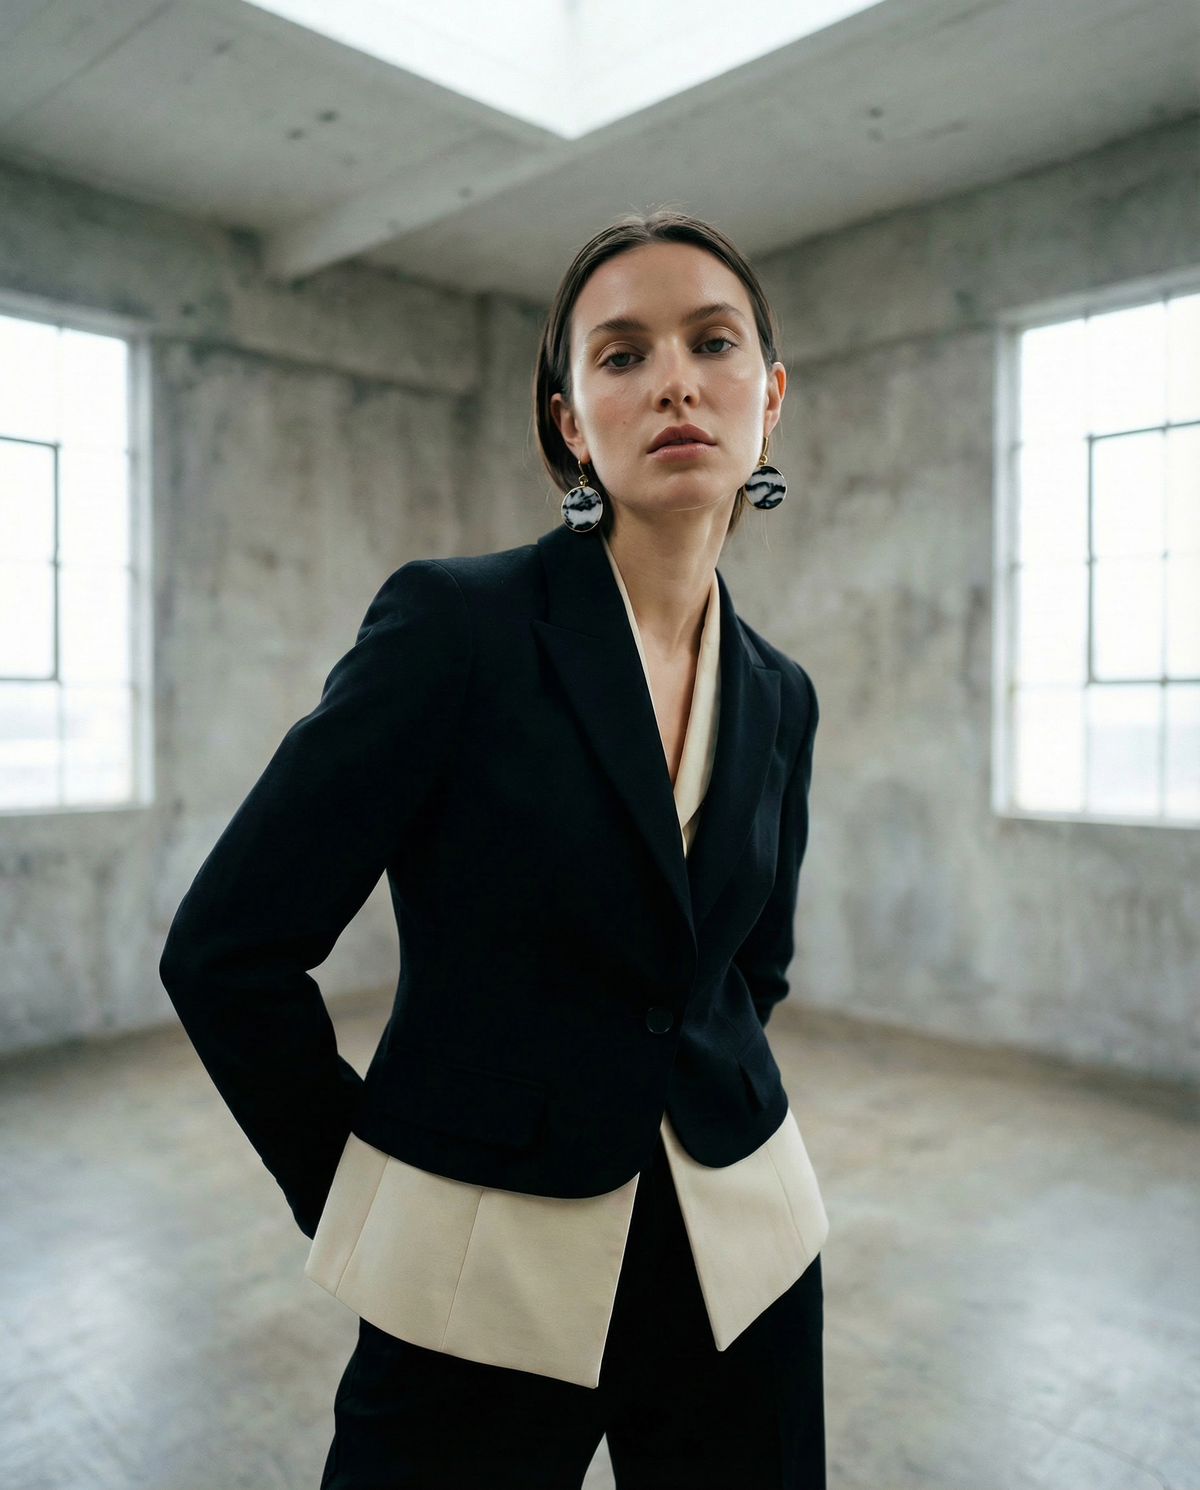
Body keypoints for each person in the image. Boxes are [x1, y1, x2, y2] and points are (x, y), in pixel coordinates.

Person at [161, 211, 827, 1490]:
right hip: (481, 1253)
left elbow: (754, 966)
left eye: (714, 341)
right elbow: (227, 950)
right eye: (622, 354)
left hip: (743, 1236)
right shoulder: (455, 626)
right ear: (573, 420)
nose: (677, 378)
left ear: (769, 397)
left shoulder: (781, 690)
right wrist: (363, 1182)